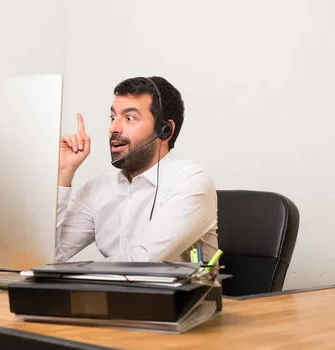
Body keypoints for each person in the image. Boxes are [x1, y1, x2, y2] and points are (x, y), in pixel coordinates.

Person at [56, 76, 218, 263]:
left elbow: (142, 262)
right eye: (113, 117)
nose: (114, 128)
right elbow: (46, 258)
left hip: (180, 293)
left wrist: (70, 273)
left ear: (164, 130)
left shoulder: (191, 180)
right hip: (112, 292)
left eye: (130, 118)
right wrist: (63, 174)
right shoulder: (97, 188)